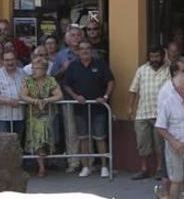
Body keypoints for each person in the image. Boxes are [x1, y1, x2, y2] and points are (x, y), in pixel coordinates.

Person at [62, 40, 115, 178]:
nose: (85, 51)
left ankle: (104, 167)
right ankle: (86, 167)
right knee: (83, 138)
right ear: (78, 51)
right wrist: (75, 96)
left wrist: (105, 96)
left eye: (87, 48)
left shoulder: (100, 64)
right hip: (81, 107)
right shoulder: (73, 66)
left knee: (100, 137)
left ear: (91, 50)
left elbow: (111, 81)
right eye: (82, 49)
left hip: (98, 106)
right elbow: (66, 84)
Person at [128, 46, 170, 180]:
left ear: (163, 56)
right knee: (142, 143)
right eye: (152, 57)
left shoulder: (169, 71)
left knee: (159, 144)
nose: (154, 59)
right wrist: (130, 108)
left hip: (161, 114)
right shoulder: (142, 70)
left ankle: (159, 169)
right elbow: (133, 90)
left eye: (157, 56)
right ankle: (144, 169)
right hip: (142, 113)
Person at [51, 24, 83, 173]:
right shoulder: (61, 55)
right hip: (68, 97)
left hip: (86, 97)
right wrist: (63, 69)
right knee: (71, 131)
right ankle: (73, 162)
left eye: (78, 35)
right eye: (73, 35)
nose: (76, 38)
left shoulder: (88, 52)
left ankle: (88, 162)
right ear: (67, 38)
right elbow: (51, 77)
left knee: (85, 130)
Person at [21, 60, 62, 177]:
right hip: (32, 115)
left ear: (44, 70)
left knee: (44, 139)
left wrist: (46, 100)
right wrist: (35, 101)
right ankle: (41, 167)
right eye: (33, 68)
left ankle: (44, 164)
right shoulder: (27, 80)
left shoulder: (50, 80)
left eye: (37, 68)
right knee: (38, 139)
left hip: (47, 115)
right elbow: (23, 95)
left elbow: (59, 95)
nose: (33, 70)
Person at [0, 50, 26, 141]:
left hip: (19, 115)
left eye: (12, 59)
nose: (10, 62)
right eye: (7, 60)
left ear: (16, 60)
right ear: (2, 61)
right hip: (3, 117)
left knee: (17, 143)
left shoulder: (23, 73)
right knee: (4, 143)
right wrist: (9, 101)